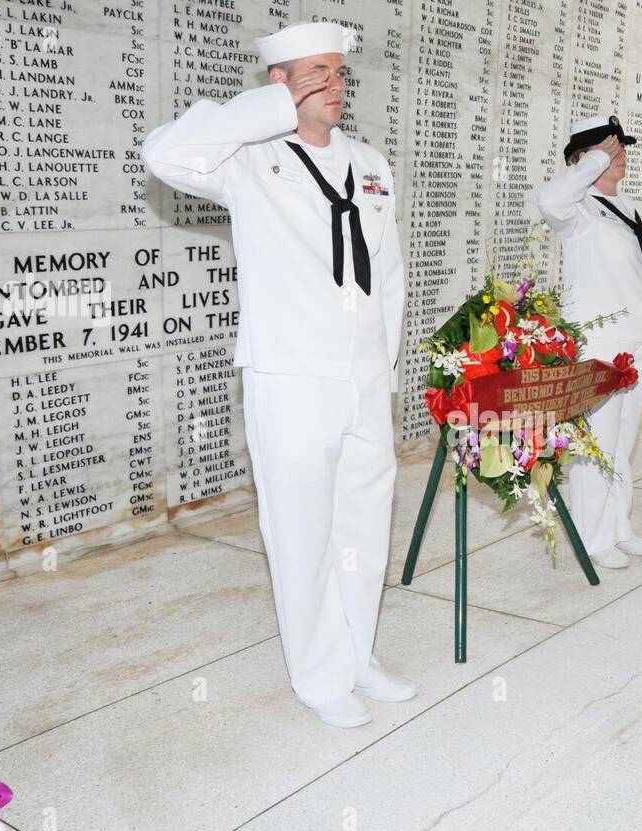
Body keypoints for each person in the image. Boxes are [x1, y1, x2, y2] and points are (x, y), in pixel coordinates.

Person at [141, 22, 415, 729]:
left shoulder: (373, 162)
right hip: (290, 376)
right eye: (314, 72)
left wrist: (382, 370)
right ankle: (319, 674)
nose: (334, 82)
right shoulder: (249, 158)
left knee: (362, 522)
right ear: (279, 82)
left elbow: (389, 274)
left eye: (339, 71)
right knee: (300, 529)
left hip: (361, 378)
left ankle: (358, 654)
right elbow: (164, 152)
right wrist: (269, 111)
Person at [536, 116, 642, 571]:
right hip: (598, 340)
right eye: (611, 149)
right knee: (595, 444)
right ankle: (592, 538)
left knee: (622, 442)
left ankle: (617, 528)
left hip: (635, 338)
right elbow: (549, 197)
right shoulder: (579, 212)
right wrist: (594, 157)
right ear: (584, 160)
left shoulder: (625, 206)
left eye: (621, 146)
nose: (621, 153)